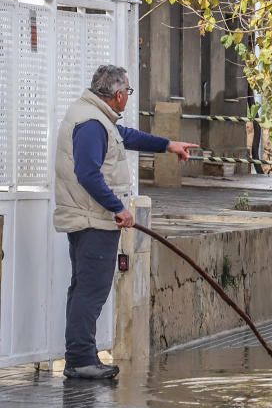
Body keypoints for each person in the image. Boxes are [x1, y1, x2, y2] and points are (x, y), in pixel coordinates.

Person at [54, 65, 197, 379]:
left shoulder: (96, 116)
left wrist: (167, 145)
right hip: (93, 219)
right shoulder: (92, 123)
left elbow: (125, 137)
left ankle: (82, 356)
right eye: (128, 92)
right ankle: (80, 361)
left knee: (83, 289)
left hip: (88, 217)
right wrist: (118, 208)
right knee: (90, 291)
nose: (128, 98)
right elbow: (88, 174)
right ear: (119, 95)